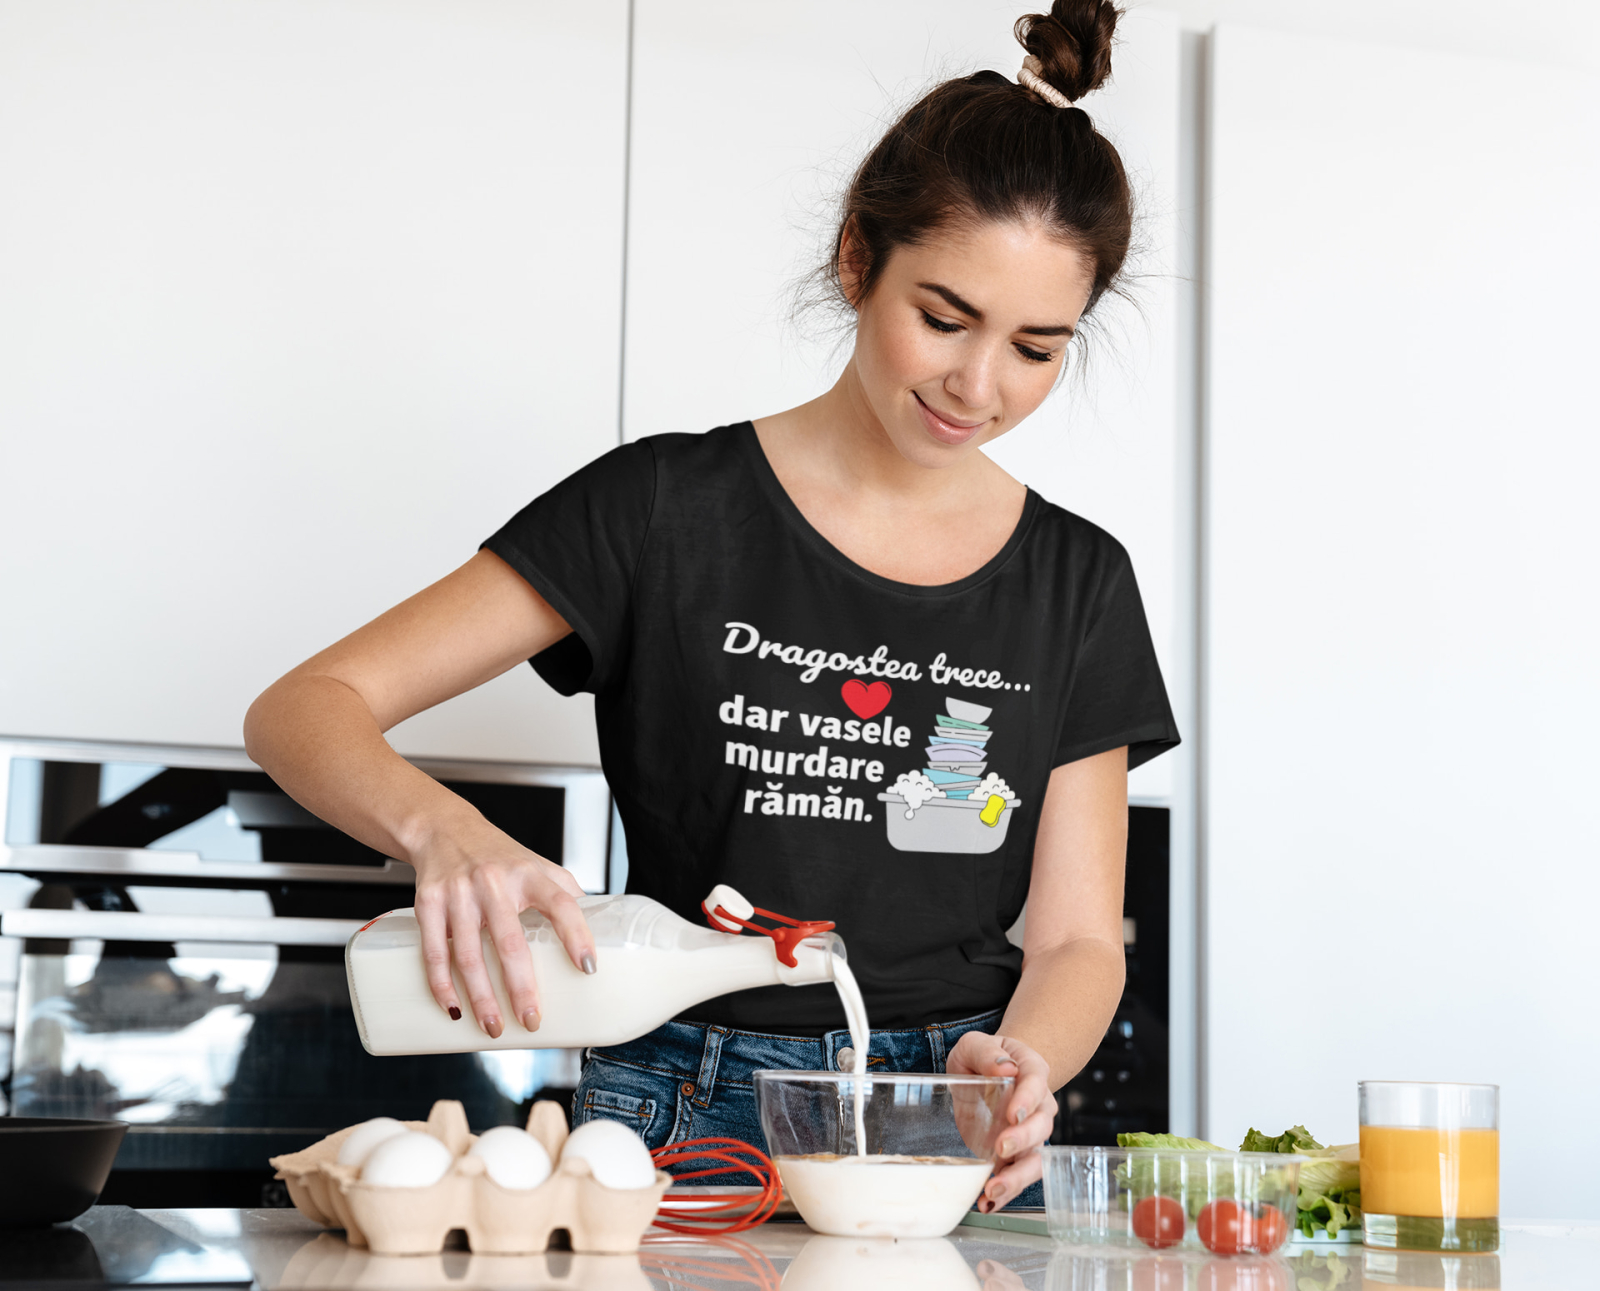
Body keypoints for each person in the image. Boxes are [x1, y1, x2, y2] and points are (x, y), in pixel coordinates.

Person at [244, 0, 1177, 1212]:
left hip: (940, 1111)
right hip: (679, 1103)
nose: (977, 383)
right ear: (857, 259)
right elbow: (303, 707)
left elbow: (1076, 940)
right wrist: (442, 830)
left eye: (1036, 348)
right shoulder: (661, 509)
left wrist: (1024, 1060)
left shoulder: (1078, 579)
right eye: (943, 319)